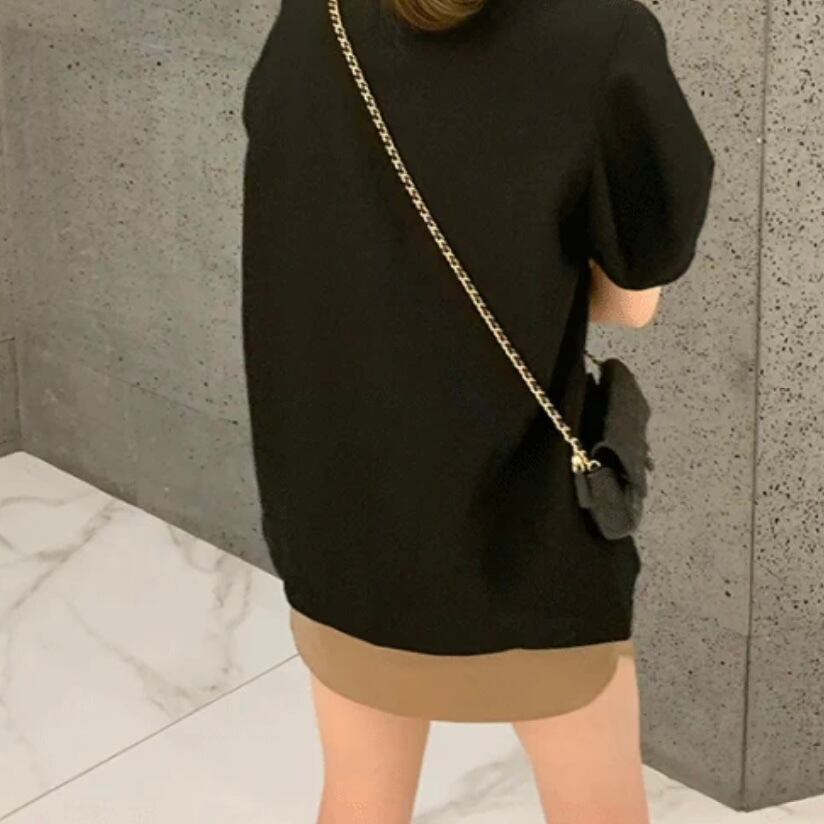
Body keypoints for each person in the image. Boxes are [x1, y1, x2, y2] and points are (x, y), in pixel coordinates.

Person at [240, 0, 715, 822]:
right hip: (522, 538)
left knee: (359, 796)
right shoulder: (600, 34)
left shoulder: (316, 16)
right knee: (598, 805)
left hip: (339, 524)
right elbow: (632, 300)